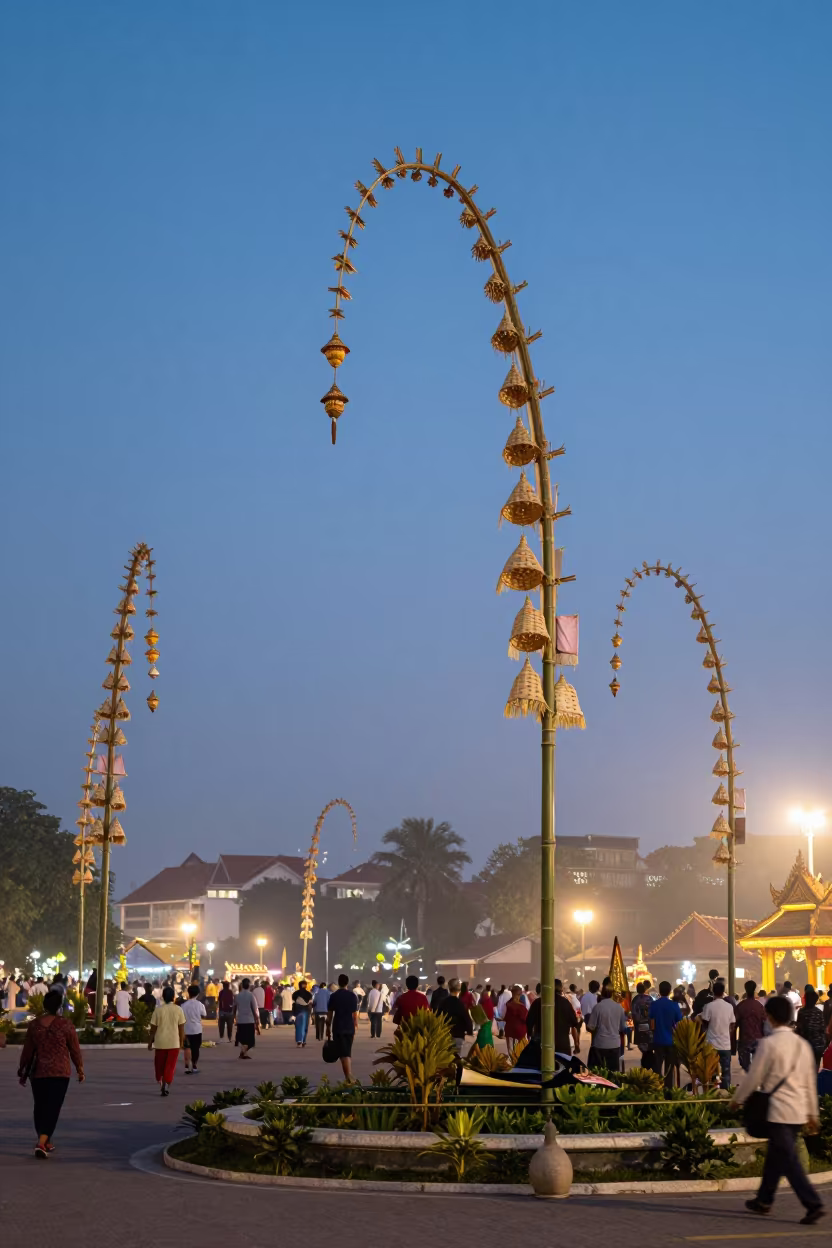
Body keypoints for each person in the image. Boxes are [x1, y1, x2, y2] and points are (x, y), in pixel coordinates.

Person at [731, 994, 825, 1225]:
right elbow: (809, 1082)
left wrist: (737, 1099)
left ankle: (813, 1204)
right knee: (776, 1156)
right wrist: (813, 1113)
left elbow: (754, 1077)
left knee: (789, 1161)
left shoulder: (768, 1044)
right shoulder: (802, 1045)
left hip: (778, 1111)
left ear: (770, 1017)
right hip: (798, 1111)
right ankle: (763, 1200)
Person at [18, 989, 85, 1158]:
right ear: (60, 1006)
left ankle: (45, 1140)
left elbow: (27, 1051)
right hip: (59, 1072)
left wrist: (22, 1070)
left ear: (44, 1005)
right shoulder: (66, 1024)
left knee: (40, 1107)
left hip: (38, 1072)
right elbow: (74, 1049)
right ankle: (41, 1143)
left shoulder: (34, 1025)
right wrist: (80, 1068)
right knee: (53, 1107)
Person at [147, 985, 184, 1096]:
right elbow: (181, 1028)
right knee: (170, 1065)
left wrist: (150, 1042)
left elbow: (153, 1029)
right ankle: (166, 1083)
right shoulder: (178, 1010)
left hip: (160, 1043)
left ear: (163, 997)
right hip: (174, 1043)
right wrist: (181, 1042)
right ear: (173, 997)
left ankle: (161, 1080)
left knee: (159, 1065)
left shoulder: (158, 1010)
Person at [432, 977, 474, 1071]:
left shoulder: (443, 1003)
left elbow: (437, 1017)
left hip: (445, 1036)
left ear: (449, 988)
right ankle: (456, 1076)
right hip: (458, 1035)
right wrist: (470, 1031)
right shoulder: (460, 1004)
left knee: (446, 1059)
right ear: (459, 990)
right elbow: (466, 1018)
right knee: (457, 1059)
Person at [701, 981, 736, 1089]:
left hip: (711, 1046)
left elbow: (704, 1023)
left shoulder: (708, 1006)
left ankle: (712, 1094)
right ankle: (725, 1094)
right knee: (726, 1074)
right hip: (725, 1045)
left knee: (710, 1073)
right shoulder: (729, 1007)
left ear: (713, 992)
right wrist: (727, 1034)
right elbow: (732, 1024)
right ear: (723, 991)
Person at [648, 981, 682, 1087]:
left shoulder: (654, 1005)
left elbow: (651, 1022)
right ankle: (668, 1090)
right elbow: (679, 1022)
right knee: (669, 1070)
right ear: (669, 991)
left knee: (657, 1069)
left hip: (658, 1040)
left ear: (659, 990)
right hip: (671, 1041)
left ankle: (657, 1089)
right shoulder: (674, 1005)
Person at [588, 985, 627, 1074]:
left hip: (600, 1044)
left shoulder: (597, 1007)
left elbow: (590, 1027)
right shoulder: (619, 1008)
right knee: (613, 1072)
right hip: (614, 1044)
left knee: (599, 1073)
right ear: (612, 994)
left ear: (602, 994)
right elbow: (622, 1028)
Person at [326, 973, 359, 1081]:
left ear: (338, 983)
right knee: (346, 1051)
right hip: (349, 1027)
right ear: (347, 983)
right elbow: (355, 1014)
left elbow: (329, 1015)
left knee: (343, 1053)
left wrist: (327, 1029)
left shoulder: (334, 996)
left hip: (338, 1027)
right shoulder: (352, 996)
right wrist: (355, 1025)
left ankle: (349, 1076)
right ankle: (348, 1076)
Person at [735, 980, 768, 1072]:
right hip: (758, 1039)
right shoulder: (759, 1006)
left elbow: (734, 1024)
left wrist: (733, 1044)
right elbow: (765, 1023)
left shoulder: (741, 1006)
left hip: (745, 1040)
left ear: (745, 989)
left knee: (746, 1067)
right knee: (757, 1067)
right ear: (755, 990)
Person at [796, 988, 826, 1068]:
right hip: (817, 1043)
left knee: (805, 1066)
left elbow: (799, 1027)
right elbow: (822, 1028)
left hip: (804, 1043)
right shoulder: (819, 1012)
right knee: (816, 1065)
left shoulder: (801, 1012)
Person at [182, 983, 206, 1074]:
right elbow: (204, 1015)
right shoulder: (200, 1005)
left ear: (188, 993)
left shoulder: (183, 1005)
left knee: (187, 1048)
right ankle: (194, 1066)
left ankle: (187, 1066)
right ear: (198, 994)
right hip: (197, 1029)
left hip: (186, 1029)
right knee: (195, 1048)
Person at [233, 977, 261, 1059]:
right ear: (249, 986)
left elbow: (234, 1008)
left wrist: (234, 1017)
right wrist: (257, 1019)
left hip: (240, 1020)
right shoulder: (251, 995)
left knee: (243, 1039)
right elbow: (254, 1009)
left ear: (242, 985)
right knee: (250, 1041)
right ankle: (243, 1052)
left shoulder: (237, 996)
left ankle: (243, 1053)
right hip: (249, 1020)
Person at [631, 981, 655, 1070]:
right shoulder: (650, 999)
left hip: (640, 1027)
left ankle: (645, 1066)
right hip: (649, 1027)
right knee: (649, 1048)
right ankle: (650, 1066)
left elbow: (634, 1014)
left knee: (644, 1050)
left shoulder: (635, 1000)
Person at [553, 979, 580, 1057]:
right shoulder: (567, 1001)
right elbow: (574, 1023)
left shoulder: (540, 1002)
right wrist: (576, 1043)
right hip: (562, 1043)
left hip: (544, 1044)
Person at [503, 985, 528, 1056]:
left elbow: (505, 1017)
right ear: (520, 994)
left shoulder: (508, 1004)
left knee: (511, 1052)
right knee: (519, 1052)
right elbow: (525, 1019)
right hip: (520, 1031)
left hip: (509, 1030)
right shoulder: (522, 1007)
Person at [292, 980, 313, 1046]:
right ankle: (303, 1040)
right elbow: (310, 1004)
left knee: (298, 1026)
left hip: (298, 1011)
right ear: (306, 985)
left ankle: (299, 1040)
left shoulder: (295, 994)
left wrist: (293, 1013)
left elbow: (294, 1003)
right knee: (305, 1026)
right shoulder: (309, 994)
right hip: (306, 1011)